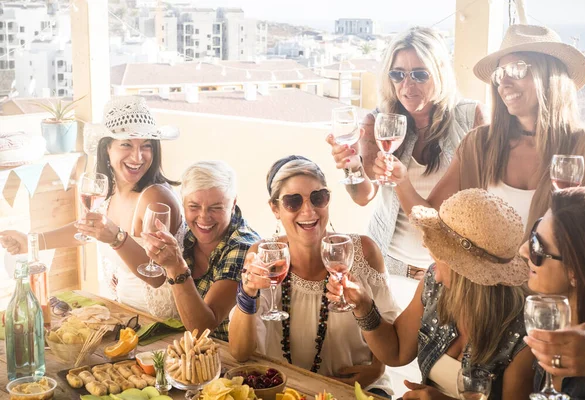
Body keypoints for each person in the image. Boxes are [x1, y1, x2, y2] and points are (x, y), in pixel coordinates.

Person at [372, 24, 585, 242]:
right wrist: (401, 180)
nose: (504, 83)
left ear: (550, 75)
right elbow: (432, 219)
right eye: (499, 75)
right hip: (482, 284)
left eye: (516, 70)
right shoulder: (478, 144)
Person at [329, 189, 536, 399]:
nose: (427, 246)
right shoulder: (434, 286)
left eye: (440, 248)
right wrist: (364, 307)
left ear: (465, 271)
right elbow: (397, 351)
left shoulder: (524, 333)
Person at [228, 156, 399, 397]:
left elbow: (393, 341)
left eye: (318, 197)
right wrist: (248, 293)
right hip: (288, 392)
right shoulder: (264, 256)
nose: (308, 210)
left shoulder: (363, 251)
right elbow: (239, 351)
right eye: (293, 201)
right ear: (275, 208)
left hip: (358, 390)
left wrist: (377, 368)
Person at [0, 96, 182, 319]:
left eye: (146, 146)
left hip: (157, 322)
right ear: (107, 148)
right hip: (124, 311)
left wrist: (116, 238)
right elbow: (87, 231)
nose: (138, 156)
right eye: (126, 144)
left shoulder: (155, 197)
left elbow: (158, 276)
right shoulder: (110, 189)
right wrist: (31, 242)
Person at [326, 26, 486, 278]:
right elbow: (363, 196)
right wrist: (352, 165)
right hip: (389, 266)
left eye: (420, 75)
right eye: (398, 74)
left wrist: (402, 181)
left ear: (440, 73)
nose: (407, 85)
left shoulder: (469, 118)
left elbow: (466, 203)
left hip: (452, 271)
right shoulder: (378, 121)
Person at [140, 161, 260, 340]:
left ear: (233, 204)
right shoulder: (187, 235)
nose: (204, 217)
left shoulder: (243, 246)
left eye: (216, 207)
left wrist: (176, 267)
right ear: (183, 203)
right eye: (194, 206)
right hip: (189, 349)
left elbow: (203, 328)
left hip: (228, 357)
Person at [519, 187, 585, 398]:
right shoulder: (547, 320)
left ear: (575, 271)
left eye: (538, 247)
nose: (523, 250)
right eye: (533, 235)